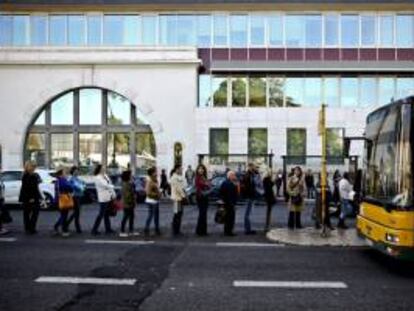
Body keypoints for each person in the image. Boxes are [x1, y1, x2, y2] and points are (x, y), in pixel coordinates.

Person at [19, 161, 44, 234]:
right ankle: (29, 228)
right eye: (33, 166)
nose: (34, 168)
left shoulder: (34, 175)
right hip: (29, 197)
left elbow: (36, 186)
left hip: (34, 196)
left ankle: (30, 228)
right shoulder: (26, 175)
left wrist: (40, 196)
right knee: (28, 213)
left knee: (33, 213)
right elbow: (27, 188)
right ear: (28, 167)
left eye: (35, 166)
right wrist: (31, 198)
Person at [91, 164, 116, 235]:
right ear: (99, 169)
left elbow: (109, 184)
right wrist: (112, 186)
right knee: (101, 214)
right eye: (103, 168)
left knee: (106, 214)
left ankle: (108, 229)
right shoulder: (97, 177)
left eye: (104, 168)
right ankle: (94, 230)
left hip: (108, 197)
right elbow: (105, 185)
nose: (104, 169)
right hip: (103, 198)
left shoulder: (105, 176)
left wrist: (113, 194)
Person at [53, 168, 74, 237]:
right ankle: (64, 231)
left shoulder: (60, 180)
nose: (66, 174)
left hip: (62, 199)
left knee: (64, 215)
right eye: (65, 173)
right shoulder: (60, 180)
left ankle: (56, 227)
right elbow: (69, 187)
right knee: (64, 216)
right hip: (61, 200)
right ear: (61, 174)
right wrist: (70, 188)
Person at [242, 163, 260, 235]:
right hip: (249, 196)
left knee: (248, 213)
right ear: (250, 167)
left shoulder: (251, 174)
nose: (255, 168)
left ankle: (248, 229)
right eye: (253, 167)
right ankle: (247, 230)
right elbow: (248, 186)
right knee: (247, 214)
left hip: (250, 196)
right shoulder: (248, 175)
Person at [220, 170, 239, 236]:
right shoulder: (229, 183)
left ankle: (227, 231)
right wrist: (233, 204)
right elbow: (231, 194)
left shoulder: (225, 182)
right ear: (230, 176)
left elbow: (221, 193)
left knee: (228, 218)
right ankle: (229, 231)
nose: (235, 176)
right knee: (230, 218)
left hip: (226, 203)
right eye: (233, 175)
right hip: (229, 203)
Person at [67, 166, 85, 234]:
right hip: (75, 197)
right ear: (73, 171)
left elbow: (83, 186)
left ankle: (67, 224)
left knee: (76, 213)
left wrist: (82, 186)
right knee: (76, 213)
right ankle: (78, 228)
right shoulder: (72, 179)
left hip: (79, 197)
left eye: (78, 170)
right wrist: (81, 186)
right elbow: (76, 187)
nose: (77, 172)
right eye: (76, 171)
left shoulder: (78, 179)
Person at [144, 166, 161, 236]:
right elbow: (148, 192)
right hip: (151, 201)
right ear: (152, 173)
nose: (156, 173)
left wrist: (159, 192)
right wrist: (157, 194)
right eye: (155, 172)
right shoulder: (150, 181)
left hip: (155, 201)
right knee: (151, 215)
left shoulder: (155, 180)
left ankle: (156, 229)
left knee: (156, 216)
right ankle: (146, 229)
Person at [170, 164, 186, 236]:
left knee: (179, 214)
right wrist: (184, 196)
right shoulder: (174, 177)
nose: (181, 170)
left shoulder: (179, 177)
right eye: (180, 169)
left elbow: (183, 186)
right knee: (177, 214)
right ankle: (175, 230)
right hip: (177, 199)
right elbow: (178, 188)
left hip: (180, 198)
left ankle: (177, 230)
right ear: (176, 169)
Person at [120, 170, 137, 237]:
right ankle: (122, 231)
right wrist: (132, 200)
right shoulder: (126, 184)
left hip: (130, 203)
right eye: (130, 175)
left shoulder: (128, 183)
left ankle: (131, 230)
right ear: (128, 176)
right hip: (127, 204)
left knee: (131, 217)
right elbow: (127, 195)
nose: (131, 176)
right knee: (125, 217)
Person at [195, 164, 210, 236]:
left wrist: (207, 184)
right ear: (197, 170)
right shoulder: (198, 178)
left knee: (204, 214)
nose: (201, 170)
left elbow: (208, 185)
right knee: (202, 214)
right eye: (199, 169)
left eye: (202, 169)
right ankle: (199, 231)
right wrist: (206, 184)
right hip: (200, 197)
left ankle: (203, 231)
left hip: (205, 196)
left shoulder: (204, 177)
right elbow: (202, 185)